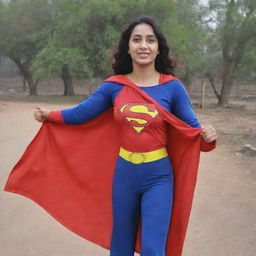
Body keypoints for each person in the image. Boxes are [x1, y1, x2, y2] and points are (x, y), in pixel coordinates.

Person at [9, 17, 217, 256]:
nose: (143, 46)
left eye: (150, 40)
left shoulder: (173, 87)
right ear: (127, 47)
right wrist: (51, 115)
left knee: (153, 248)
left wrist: (207, 134)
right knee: (121, 246)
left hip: (158, 176)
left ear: (158, 47)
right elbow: (81, 113)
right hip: (125, 174)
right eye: (136, 39)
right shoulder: (113, 86)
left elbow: (192, 130)